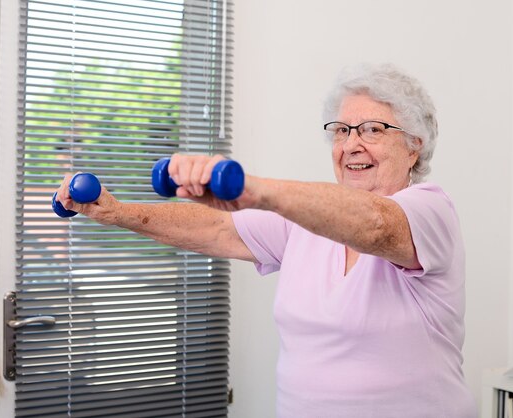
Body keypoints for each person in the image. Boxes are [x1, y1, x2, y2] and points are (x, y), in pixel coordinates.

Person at [55, 63, 477, 418]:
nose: (351, 144)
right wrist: (117, 213)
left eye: (372, 129)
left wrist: (253, 189)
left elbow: (376, 226)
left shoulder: (429, 211)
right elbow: (215, 227)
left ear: (413, 148)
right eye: (342, 130)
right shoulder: (304, 223)